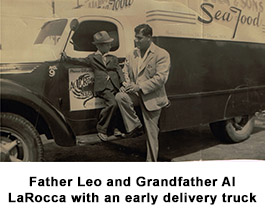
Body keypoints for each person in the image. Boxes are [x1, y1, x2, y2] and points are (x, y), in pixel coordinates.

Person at [115, 24, 170, 162]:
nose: (136, 40)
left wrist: (139, 87)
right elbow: (125, 71)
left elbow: (160, 78)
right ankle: (136, 126)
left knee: (152, 135)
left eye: (139, 38)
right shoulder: (132, 53)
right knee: (120, 96)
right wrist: (126, 85)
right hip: (135, 95)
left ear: (149, 37)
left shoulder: (161, 54)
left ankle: (151, 163)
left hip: (152, 98)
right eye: (135, 37)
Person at [62, 31, 125, 141]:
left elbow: (118, 70)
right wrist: (67, 58)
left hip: (115, 85)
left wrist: (123, 82)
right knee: (112, 104)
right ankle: (102, 129)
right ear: (99, 46)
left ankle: (114, 128)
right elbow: (79, 61)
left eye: (110, 44)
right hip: (103, 87)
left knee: (118, 105)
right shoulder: (92, 58)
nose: (110, 46)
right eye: (107, 44)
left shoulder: (113, 58)